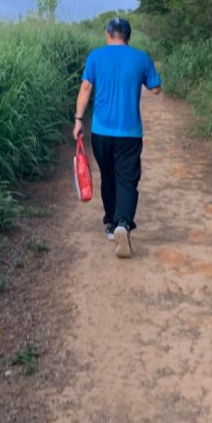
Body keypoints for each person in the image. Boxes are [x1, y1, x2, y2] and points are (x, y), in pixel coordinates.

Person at [73, 17, 162, 258]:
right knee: (127, 179)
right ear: (128, 36)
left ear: (108, 34)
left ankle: (111, 225)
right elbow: (156, 88)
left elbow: (85, 89)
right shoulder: (141, 57)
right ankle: (123, 222)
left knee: (109, 176)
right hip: (129, 132)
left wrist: (78, 120)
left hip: (101, 131)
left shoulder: (95, 56)